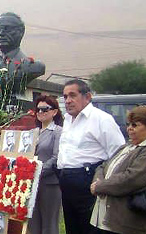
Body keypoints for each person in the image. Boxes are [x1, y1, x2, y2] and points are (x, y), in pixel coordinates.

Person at [57, 79, 125, 234]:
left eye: (72, 95)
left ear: (87, 97)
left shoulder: (101, 119)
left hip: (89, 181)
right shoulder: (67, 120)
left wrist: (104, 183)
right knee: (73, 228)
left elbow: (118, 154)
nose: (68, 101)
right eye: (65, 96)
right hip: (67, 183)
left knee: (91, 229)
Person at [90, 106, 146, 234]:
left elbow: (130, 179)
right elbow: (103, 166)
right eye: (128, 124)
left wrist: (100, 186)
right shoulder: (125, 147)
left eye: (135, 125)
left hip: (125, 222)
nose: (130, 128)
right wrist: (97, 181)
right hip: (103, 217)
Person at [28, 95, 63, 234]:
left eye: (45, 109)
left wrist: (36, 171)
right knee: (33, 222)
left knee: (49, 224)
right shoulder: (32, 133)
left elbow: (56, 157)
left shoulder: (58, 132)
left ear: (54, 112)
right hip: (31, 184)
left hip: (49, 184)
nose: (41, 112)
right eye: (38, 109)